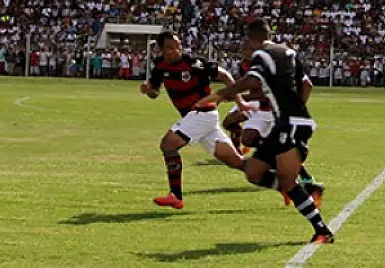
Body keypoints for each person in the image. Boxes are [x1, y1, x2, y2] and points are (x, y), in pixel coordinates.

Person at [204, 20, 333, 243]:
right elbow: (306, 84)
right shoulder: (287, 52)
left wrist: (222, 94)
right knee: (253, 172)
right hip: (287, 121)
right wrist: (295, 108)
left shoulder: (262, 55)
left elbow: (252, 80)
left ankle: (322, 230)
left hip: (290, 123)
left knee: (287, 180)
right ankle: (305, 189)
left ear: (251, 39)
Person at [140, 32, 245, 210]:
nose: (176, 50)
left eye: (178, 46)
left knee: (168, 145)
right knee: (236, 161)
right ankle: (284, 183)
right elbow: (154, 93)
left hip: (202, 113)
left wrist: (240, 101)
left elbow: (225, 75)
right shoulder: (159, 67)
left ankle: (175, 196)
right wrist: (148, 90)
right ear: (162, 50)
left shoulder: (193, 64)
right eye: (170, 47)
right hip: (200, 119)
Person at [221, 57, 322, 205]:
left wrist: (239, 96)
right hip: (258, 105)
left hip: (270, 109)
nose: (245, 50)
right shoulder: (247, 63)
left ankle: (302, 180)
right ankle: (294, 176)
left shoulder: (275, 62)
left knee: (256, 141)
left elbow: (304, 85)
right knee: (232, 124)